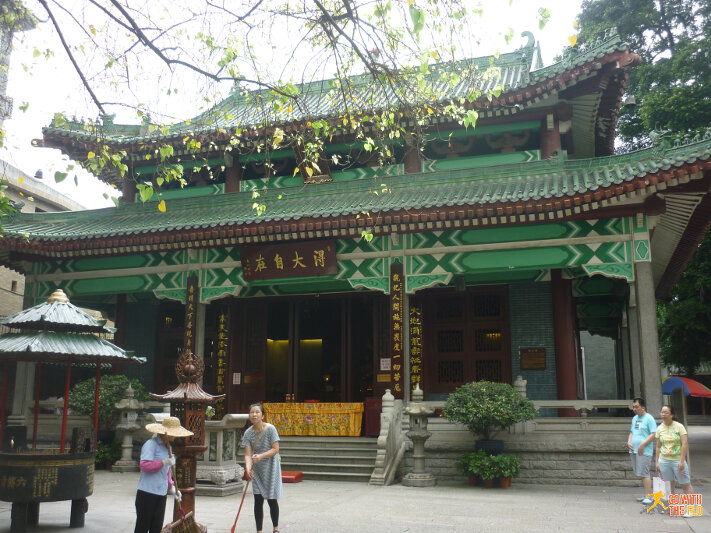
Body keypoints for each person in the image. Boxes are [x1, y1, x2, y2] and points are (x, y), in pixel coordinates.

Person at [134, 416, 194, 533]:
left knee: (156, 528)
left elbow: (166, 473)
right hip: (147, 493)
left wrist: (172, 488)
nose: (175, 436)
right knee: (142, 527)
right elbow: (144, 466)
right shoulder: (151, 444)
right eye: (173, 433)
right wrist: (162, 462)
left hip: (161, 494)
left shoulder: (168, 448)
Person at [242, 403, 283, 533]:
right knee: (258, 500)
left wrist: (260, 456)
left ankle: (275, 528)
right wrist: (248, 469)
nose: (254, 414)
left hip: (271, 467)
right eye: (252, 412)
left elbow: (275, 449)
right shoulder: (248, 433)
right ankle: (259, 530)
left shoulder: (270, 429)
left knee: (271, 499)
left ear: (262, 415)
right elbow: (248, 455)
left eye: (257, 412)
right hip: (258, 469)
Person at [655, 405, 694, 496]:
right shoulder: (660, 428)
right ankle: (671, 507)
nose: (663, 414)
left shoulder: (679, 426)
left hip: (677, 460)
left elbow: (684, 443)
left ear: (672, 415)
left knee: (685, 484)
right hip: (664, 461)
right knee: (668, 485)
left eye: (666, 413)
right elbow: (658, 447)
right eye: (662, 412)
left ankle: (691, 508)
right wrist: (657, 462)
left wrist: (681, 460)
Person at [627, 397, 657, 505]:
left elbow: (653, 434)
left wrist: (643, 444)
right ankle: (646, 494)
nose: (634, 409)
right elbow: (632, 431)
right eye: (633, 407)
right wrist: (629, 441)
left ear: (643, 407)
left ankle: (649, 496)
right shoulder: (635, 418)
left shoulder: (649, 418)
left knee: (645, 472)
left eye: (637, 407)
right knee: (640, 472)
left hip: (644, 450)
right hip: (634, 449)